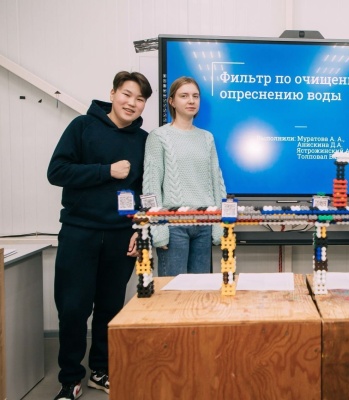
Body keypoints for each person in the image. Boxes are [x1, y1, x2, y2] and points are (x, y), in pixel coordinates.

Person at [47, 71, 153, 399]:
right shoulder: (82, 126)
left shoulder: (144, 140)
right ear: (112, 94)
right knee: (73, 308)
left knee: (110, 308)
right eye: (126, 94)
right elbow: (56, 171)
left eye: (139, 99)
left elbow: (146, 190)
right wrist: (106, 171)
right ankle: (70, 379)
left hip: (121, 236)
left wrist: (141, 228)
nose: (131, 103)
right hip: (79, 232)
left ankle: (100, 371)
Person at [143, 76, 226, 276]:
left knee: (201, 291)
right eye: (184, 96)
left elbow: (217, 183)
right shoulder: (158, 136)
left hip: (204, 224)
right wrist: (158, 230)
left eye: (195, 96)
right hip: (173, 226)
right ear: (172, 101)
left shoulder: (207, 137)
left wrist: (219, 226)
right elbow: (151, 186)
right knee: (173, 290)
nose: (191, 101)